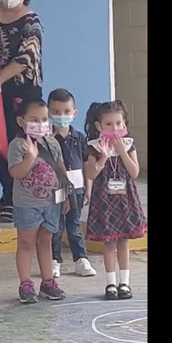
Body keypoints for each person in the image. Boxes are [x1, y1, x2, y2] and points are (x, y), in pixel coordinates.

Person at [0, 0, 44, 222]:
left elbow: (26, 57)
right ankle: (7, 189)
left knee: (18, 141)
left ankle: (20, 197)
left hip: (22, 91)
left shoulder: (31, 21)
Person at [7, 98, 74, 303]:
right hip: (28, 204)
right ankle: (25, 283)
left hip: (51, 202)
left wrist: (66, 194)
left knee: (45, 241)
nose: (40, 123)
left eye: (44, 119)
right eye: (34, 119)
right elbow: (16, 173)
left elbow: (61, 169)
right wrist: (30, 157)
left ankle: (48, 282)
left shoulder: (53, 143)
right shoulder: (18, 145)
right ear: (21, 121)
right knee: (26, 243)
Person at [83, 101, 147, 300]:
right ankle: (110, 283)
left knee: (123, 242)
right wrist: (102, 157)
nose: (115, 128)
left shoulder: (128, 145)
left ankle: (124, 283)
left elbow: (134, 172)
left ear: (124, 124)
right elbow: (91, 174)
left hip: (124, 199)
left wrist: (121, 151)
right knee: (108, 243)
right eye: (109, 124)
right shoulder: (93, 147)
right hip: (105, 201)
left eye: (118, 123)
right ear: (98, 126)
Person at [48, 88, 97, 278]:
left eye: (66, 112)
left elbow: (86, 165)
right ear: (48, 112)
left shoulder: (79, 138)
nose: (62, 116)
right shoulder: (47, 139)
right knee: (55, 226)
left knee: (74, 225)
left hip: (76, 189)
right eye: (56, 112)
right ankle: (54, 260)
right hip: (54, 191)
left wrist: (88, 188)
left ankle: (80, 259)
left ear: (74, 113)